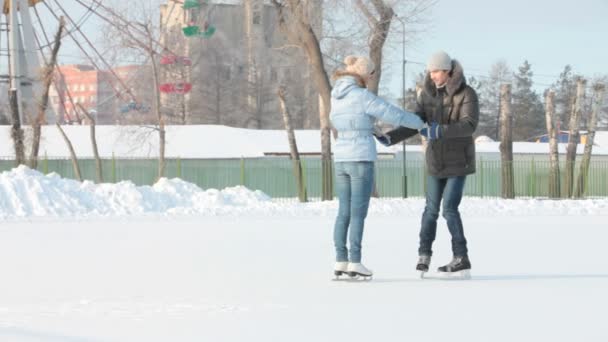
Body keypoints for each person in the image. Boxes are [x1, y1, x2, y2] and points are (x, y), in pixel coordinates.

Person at [383, 51, 479, 275]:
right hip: (436, 159)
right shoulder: (427, 95)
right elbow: (416, 123)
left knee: (449, 209)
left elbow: (469, 125)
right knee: (430, 210)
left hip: (458, 161)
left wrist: (439, 130)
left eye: (436, 71)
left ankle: (461, 257)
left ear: (447, 70)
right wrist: (391, 137)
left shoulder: (466, 93)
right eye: (430, 71)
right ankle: (424, 254)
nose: (432, 75)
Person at [330, 55, 424, 279]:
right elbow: (394, 114)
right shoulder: (362, 96)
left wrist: (369, 128)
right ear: (364, 74)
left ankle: (340, 260)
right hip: (360, 158)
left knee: (343, 211)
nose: (372, 79)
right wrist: (420, 123)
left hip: (341, 157)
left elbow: (344, 121)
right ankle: (355, 261)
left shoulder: (336, 95)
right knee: (358, 213)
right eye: (371, 75)